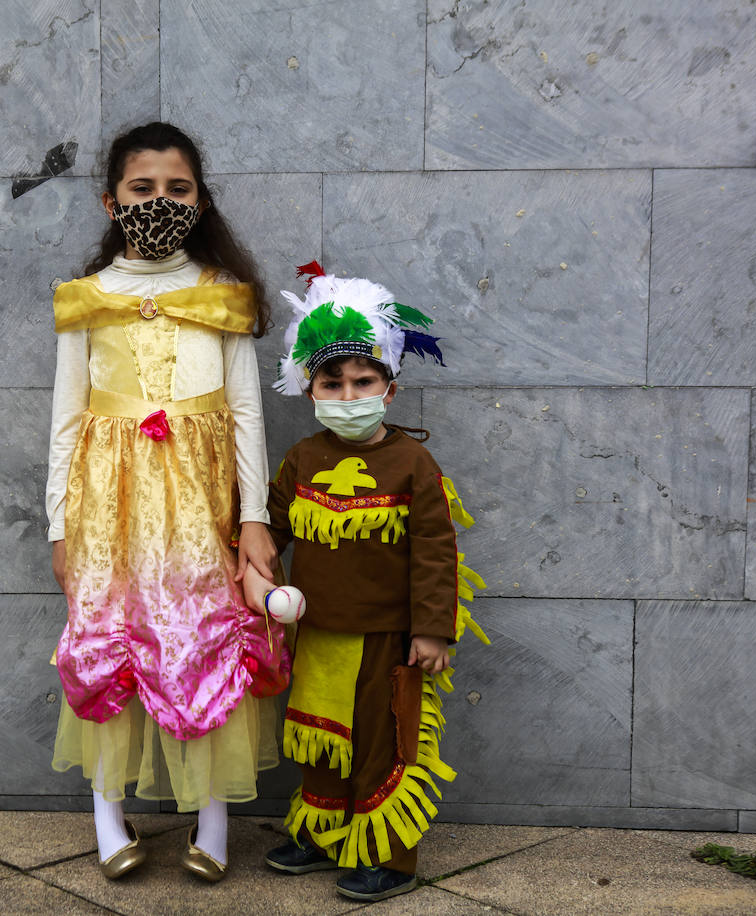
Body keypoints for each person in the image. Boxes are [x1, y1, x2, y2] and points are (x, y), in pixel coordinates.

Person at [46, 122, 290, 882]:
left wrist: (255, 518)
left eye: (177, 189)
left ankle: (211, 813)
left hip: (199, 504)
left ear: (202, 198)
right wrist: (58, 522)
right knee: (109, 637)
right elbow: (66, 418)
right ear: (112, 200)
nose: (160, 201)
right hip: (107, 506)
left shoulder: (220, 296)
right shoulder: (89, 300)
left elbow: (247, 412)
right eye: (142, 188)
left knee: (203, 639)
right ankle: (105, 809)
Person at [244, 264, 488, 902]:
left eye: (363, 381)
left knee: (382, 748)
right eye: (333, 383)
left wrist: (433, 630)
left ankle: (388, 858)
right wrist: (248, 555)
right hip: (317, 635)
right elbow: (267, 528)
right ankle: (323, 835)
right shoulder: (302, 459)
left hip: (386, 640)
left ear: (390, 388)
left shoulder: (412, 462)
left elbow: (436, 551)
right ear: (310, 391)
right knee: (320, 742)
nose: (349, 394)